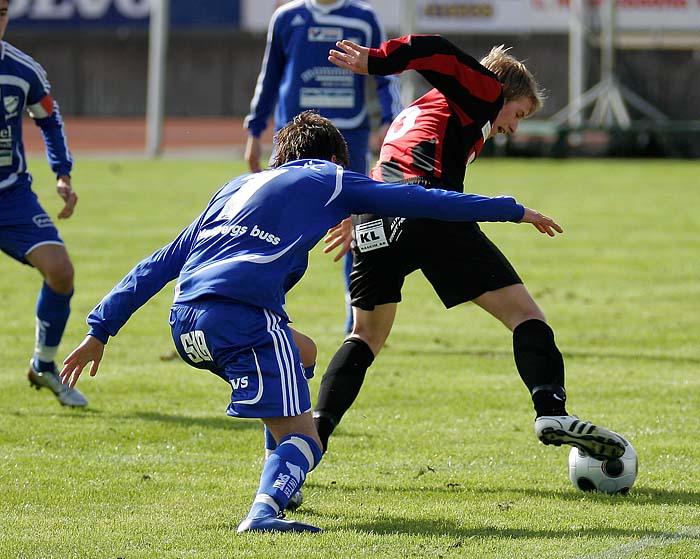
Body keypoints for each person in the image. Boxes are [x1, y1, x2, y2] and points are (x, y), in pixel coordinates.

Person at [59, 111, 562, 534]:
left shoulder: (235, 186)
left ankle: (281, 481)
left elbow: (160, 262)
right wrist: (510, 209)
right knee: (308, 438)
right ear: (336, 159)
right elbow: (421, 198)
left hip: (187, 323)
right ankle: (266, 508)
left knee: (304, 353)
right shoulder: (330, 177)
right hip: (240, 316)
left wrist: (99, 331)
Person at [313, 35, 627, 462]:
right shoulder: (484, 91)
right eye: (518, 114)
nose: (515, 127)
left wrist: (357, 212)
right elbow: (435, 50)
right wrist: (378, 61)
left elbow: (392, 162)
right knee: (526, 315)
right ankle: (551, 411)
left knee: (364, 335)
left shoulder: (425, 110)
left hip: (375, 215)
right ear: (503, 92)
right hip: (428, 207)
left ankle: (312, 436)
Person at [244, 0, 403, 334]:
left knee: (358, 224)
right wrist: (255, 130)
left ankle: (356, 311)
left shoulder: (364, 18)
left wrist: (391, 120)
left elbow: (386, 72)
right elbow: (269, 77)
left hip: (350, 135)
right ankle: (261, 307)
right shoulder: (287, 18)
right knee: (276, 222)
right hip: (293, 138)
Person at [0, 0, 86, 408]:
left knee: (61, 272)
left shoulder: (23, 70)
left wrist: (62, 173)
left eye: (1, 11)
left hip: (11, 196)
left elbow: (49, 120)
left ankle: (44, 364)